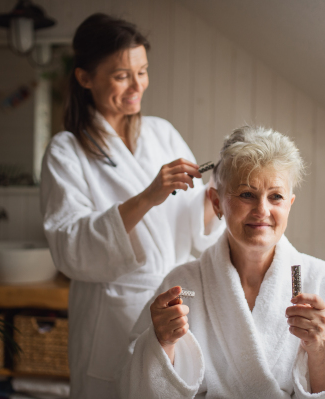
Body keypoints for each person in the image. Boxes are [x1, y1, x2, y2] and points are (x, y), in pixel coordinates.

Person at [118, 126, 325, 398]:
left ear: (289, 204)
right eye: (247, 194)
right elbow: (132, 385)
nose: (262, 210)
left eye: (276, 196)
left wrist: (321, 347)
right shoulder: (183, 285)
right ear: (217, 202)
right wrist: (162, 344)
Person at [40, 13, 224, 398]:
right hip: (112, 316)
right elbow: (69, 246)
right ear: (85, 77)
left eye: (142, 71)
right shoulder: (67, 151)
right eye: (122, 75)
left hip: (171, 309)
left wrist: (216, 198)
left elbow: (193, 225)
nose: (137, 85)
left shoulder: (162, 133)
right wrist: (146, 198)